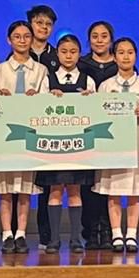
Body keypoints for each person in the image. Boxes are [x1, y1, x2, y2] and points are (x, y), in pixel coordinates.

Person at [0, 19, 49, 254]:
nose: (22, 41)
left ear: (32, 40)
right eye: (17, 36)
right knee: (5, 188)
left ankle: (21, 233)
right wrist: (0, 97)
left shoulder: (41, 70)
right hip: (4, 136)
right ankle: (6, 233)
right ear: (9, 40)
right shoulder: (0, 69)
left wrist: (37, 98)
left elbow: (46, 102)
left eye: (26, 36)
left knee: (25, 188)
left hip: (29, 136)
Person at [95, 37, 139, 252]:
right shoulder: (106, 85)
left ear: (136, 56)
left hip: (136, 142)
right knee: (114, 190)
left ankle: (131, 234)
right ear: (114, 57)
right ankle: (116, 235)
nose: (126, 57)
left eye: (130, 52)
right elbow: (97, 113)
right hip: (112, 143)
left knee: (134, 190)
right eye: (121, 52)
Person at [40, 34, 95, 253]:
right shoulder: (48, 79)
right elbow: (38, 110)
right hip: (53, 145)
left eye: (73, 52)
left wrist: (90, 99)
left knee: (74, 191)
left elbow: (96, 111)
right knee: (54, 191)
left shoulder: (87, 80)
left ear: (79, 54)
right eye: (64, 52)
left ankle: (75, 239)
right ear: (57, 54)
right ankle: (54, 240)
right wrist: (48, 98)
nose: (68, 56)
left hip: (78, 145)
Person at [78, 21, 119, 251]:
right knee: (88, 184)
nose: (99, 40)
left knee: (109, 183)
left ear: (111, 39)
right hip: (87, 132)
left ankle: (109, 230)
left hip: (114, 133)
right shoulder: (81, 64)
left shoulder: (120, 64)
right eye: (95, 36)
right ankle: (91, 231)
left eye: (104, 36)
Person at [25, 4, 59, 247]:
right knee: (20, 186)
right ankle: (16, 235)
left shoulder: (58, 56)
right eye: (39, 23)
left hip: (50, 128)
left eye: (48, 24)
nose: (43, 28)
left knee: (47, 185)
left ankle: (46, 237)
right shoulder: (17, 53)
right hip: (23, 129)